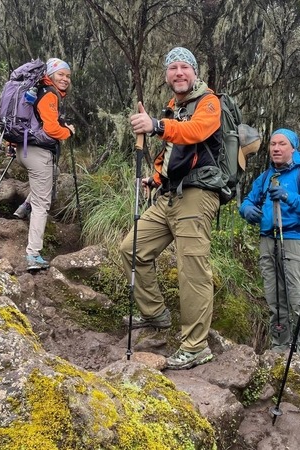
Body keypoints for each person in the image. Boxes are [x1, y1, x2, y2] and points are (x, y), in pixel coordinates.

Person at [120, 46, 221, 370]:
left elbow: (196, 132)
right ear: (167, 75)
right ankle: (155, 314)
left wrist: (156, 124)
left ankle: (195, 346)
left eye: (184, 67)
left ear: (194, 72)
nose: (179, 72)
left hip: (198, 193)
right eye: (173, 68)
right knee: (132, 248)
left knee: (192, 269)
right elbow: (171, 153)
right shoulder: (174, 108)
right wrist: (155, 178)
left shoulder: (208, 102)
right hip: (169, 194)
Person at [239, 129, 300, 357]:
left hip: (295, 240)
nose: (276, 148)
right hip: (268, 240)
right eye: (273, 144)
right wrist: (247, 210)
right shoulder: (266, 176)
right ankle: (280, 350)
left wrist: (288, 197)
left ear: (293, 148)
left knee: (298, 300)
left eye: (282, 144)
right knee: (274, 300)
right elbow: (247, 200)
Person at [13, 58, 75, 271]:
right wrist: (68, 132)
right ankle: (33, 254)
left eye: (68, 76)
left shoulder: (37, 90)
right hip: (37, 153)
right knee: (42, 204)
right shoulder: (49, 93)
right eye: (61, 74)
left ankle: (24, 207)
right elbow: (51, 130)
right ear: (50, 75)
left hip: (23, 150)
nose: (65, 79)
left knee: (53, 172)